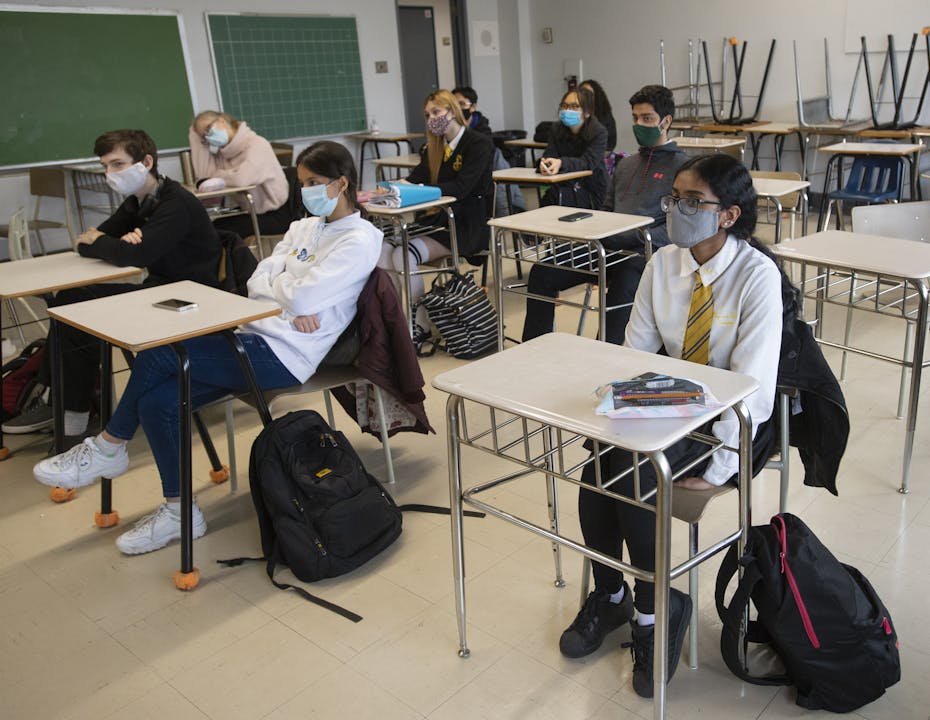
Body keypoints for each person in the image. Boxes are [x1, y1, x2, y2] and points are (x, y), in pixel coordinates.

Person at [33, 140, 383, 556]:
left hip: (287, 356)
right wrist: (286, 294)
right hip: (249, 334)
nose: (305, 190)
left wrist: (286, 289)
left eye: (314, 182)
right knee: (158, 403)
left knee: (162, 351)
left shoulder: (360, 239)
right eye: (302, 181)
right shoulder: (303, 227)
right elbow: (256, 279)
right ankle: (180, 513)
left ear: (341, 184)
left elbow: (299, 295)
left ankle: (108, 446)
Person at [558, 153, 782, 698]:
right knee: (597, 471)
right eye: (673, 198)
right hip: (669, 406)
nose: (676, 210)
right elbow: (632, 353)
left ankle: (652, 612)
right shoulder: (663, 264)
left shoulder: (757, 277)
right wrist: (617, 405)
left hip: (726, 422)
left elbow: (753, 390)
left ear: (728, 215)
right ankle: (614, 596)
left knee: (630, 479)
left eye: (691, 202)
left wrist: (723, 468)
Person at [2, 129, 222, 441]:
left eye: (118, 164)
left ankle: (70, 416)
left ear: (146, 162)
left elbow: (132, 253)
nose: (110, 174)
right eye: (105, 166)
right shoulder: (138, 201)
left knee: (77, 308)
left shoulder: (176, 203)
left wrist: (118, 246)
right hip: (161, 290)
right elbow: (86, 241)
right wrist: (113, 244)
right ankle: (62, 402)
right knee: (69, 301)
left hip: (189, 299)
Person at [522, 84, 687, 344]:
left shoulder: (683, 168)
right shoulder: (627, 164)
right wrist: (593, 231)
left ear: (665, 121)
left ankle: (604, 355)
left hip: (644, 251)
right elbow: (606, 211)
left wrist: (633, 236)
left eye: (647, 119)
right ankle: (533, 348)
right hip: (607, 245)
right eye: (635, 118)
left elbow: (676, 227)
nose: (639, 124)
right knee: (542, 271)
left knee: (626, 279)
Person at [378, 89, 494, 343]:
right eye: (428, 114)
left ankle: (419, 322)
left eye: (437, 112)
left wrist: (420, 191)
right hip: (438, 222)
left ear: (452, 111)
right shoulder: (433, 148)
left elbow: (463, 187)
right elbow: (415, 178)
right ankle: (401, 317)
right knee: (382, 251)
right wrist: (395, 187)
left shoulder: (479, 143)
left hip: (467, 226)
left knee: (402, 254)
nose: (432, 118)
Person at [189, 110, 292, 237]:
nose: (208, 137)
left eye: (208, 129)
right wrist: (194, 135)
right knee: (208, 228)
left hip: (276, 214)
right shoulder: (223, 154)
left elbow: (242, 179)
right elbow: (205, 177)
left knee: (215, 233)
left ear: (222, 120)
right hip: (251, 214)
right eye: (204, 136)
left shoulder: (257, 144)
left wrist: (220, 175)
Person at [537, 86, 608, 209]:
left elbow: (587, 162)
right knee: (548, 202)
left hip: (591, 189)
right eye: (564, 106)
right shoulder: (556, 129)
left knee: (555, 201)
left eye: (574, 107)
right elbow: (550, 153)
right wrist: (546, 164)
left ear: (587, 112)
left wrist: (561, 163)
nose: (567, 110)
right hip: (562, 186)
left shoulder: (599, 132)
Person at [579, 79, 617, 151]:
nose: (585, 96)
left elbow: (611, 144)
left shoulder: (605, 117)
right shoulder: (574, 115)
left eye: (589, 93)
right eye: (582, 92)